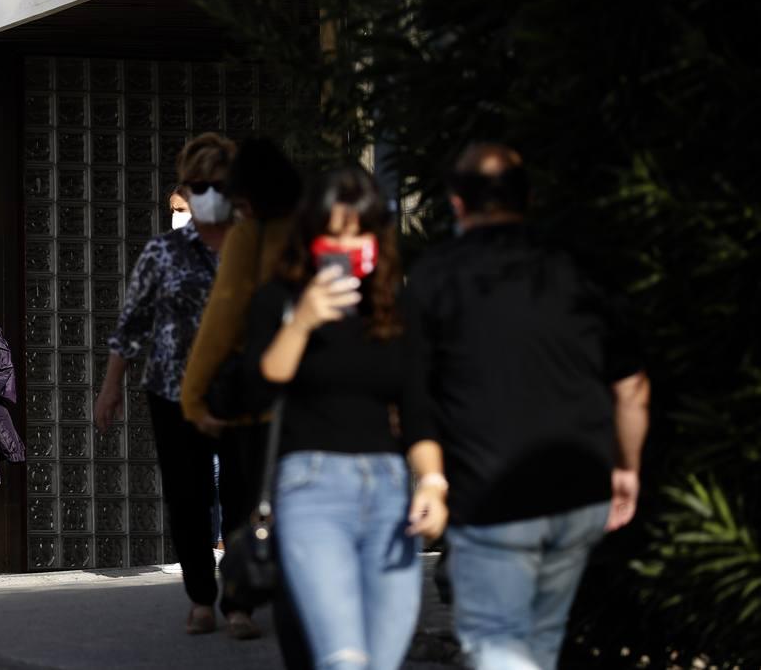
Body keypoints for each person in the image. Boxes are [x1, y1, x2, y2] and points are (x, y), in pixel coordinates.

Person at [407, 144, 651, 670]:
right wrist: (626, 466)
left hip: (489, 491)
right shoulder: (577, 268)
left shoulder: (434, 277)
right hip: (580, 488)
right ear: (529, 198)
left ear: (456, 204)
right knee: (541, 640)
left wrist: (430, 479)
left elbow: (414, 393)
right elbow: (631, 387)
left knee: (498, 644)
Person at [251, 166, 448, 670]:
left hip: (387, 491)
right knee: (344, 660)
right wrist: (303, 322)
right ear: (310, 235)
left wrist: (432, 483)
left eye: (358, 231)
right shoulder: (279, 299)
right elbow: (258, 384)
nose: (346, 244)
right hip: (310, 489)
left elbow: (417, 408)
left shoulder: (395, 306)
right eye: (332, 232)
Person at [94, 132, 248, 636]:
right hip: (172, 390)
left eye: (216, 183)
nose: (205, 194)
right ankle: (202, 598)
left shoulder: (255, 244)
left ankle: (241, 602)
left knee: (243, 495)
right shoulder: (164, 251)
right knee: (189, 494)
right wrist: (111, 386)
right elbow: (132, 321)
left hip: (240, 390)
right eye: (196, 185)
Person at [180, 137, 311, 661]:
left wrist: (193, 396)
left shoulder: (249, 237)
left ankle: (257, 608)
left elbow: (222, 323)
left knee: (255, 511)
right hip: (326, 404)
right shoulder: (319, 231)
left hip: (264, 407)